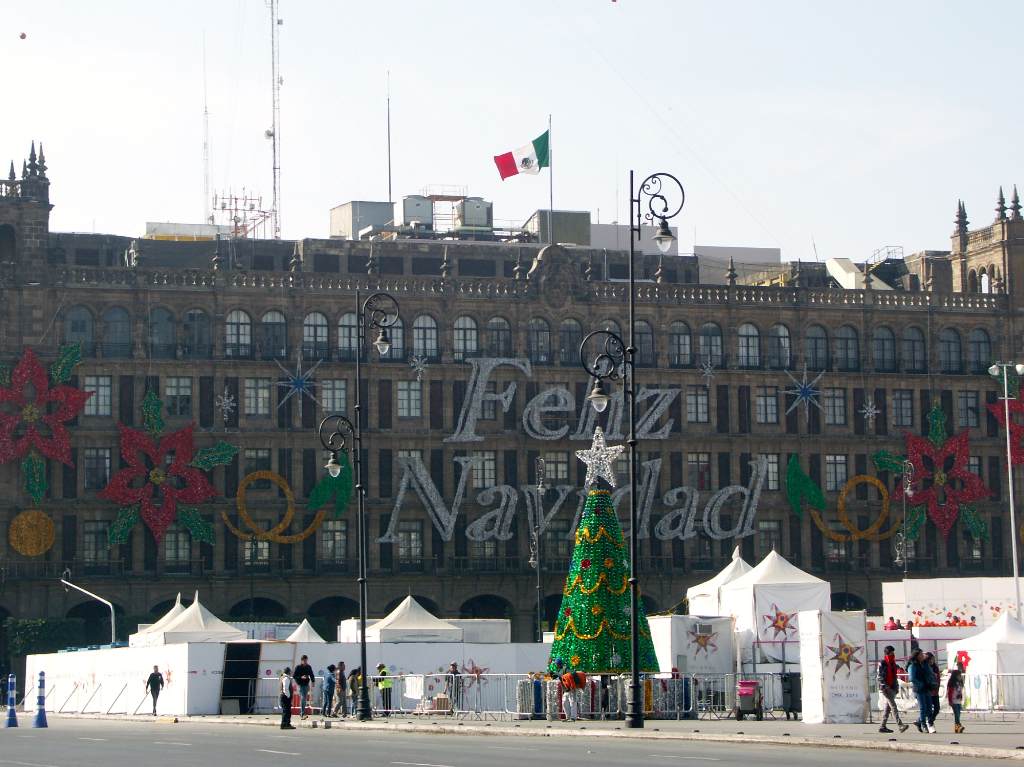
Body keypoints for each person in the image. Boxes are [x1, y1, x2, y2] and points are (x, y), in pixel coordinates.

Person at [877, 646, 909, 733]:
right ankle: (900, 725)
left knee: (888, 709)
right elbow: (880, 676)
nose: (893, 654)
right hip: (886, 688)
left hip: (892, 687)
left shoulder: (893, 663)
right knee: (894, 706)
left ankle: (882, 726)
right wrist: (884, 686)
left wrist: (896, 687)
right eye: (891, 653)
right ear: (887, 653)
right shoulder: (883, 663)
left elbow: (894, 676)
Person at [908, 649, 934, 733]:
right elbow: (912, 678)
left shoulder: (925, 664)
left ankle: (930, 723)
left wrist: (931, 681)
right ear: (917, 656)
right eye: (921, 655)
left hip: (927, 687)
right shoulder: (913, 666)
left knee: (929, 707)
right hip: (919, 689)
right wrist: (920, 684)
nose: (923, 656)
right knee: (923, 707)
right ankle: (923, 724)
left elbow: (930, 673)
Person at [293, 655, 314, 719]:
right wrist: (301, 677)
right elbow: (294, 676)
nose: (305, 662)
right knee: (303, 699)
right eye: (304, 660)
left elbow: (311, 674)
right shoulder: (298, 667)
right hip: (300, 684)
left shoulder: (308, 667)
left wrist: (313, 682)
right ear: (301, 660)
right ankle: (302, 713)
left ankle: (302, 713)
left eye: (306, 660)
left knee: (304, 698)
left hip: (306, 684)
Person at [947, 663, 965, 733]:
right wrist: (950, 701)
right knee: (956, 714)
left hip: (958, 700)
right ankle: (958, 725)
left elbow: (960, 691)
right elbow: (949, 692)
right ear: (955, 676)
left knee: (958, 714)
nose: (960, 676)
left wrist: (961, 697)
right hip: (954, 701)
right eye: (959, 675)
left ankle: (957, 727)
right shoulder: (952, 682)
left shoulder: (960, 682)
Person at [925, 652, 941, 728]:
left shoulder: (935, 667)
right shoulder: (925, 667)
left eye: (933, 659)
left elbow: (938, 678)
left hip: (935, 691)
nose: (932, 661)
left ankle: (925, 721)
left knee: (937, 708)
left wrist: (937, 686)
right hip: (928, 691)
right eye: (931, 659)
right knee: (928, 709)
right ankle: (929, 723)